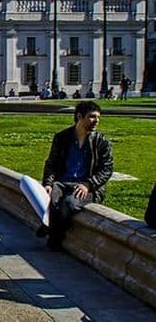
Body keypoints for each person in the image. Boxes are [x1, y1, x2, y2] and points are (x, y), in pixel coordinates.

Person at [40, 101, 113, 250]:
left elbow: (107, 169)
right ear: (79, 116)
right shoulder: (62, 137)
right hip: (62, 182)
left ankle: (53, 237)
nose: (96, 121)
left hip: (86, 185)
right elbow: (51, 163)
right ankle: (50, 229)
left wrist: (88, 184)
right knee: (48, 201)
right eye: (92, 117)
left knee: (69, 203)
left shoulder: (101, 141)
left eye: (98, 117)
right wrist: (48, 184)